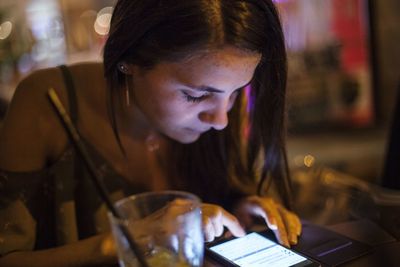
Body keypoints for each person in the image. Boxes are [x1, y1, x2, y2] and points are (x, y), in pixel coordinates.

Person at [0, 0, 301, 266]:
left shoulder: (218, 111)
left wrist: (237, 208)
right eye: (195, 96)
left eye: (236, 92)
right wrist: (131, 239)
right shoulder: (48, 102)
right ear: (128, 60)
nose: (221, 119)